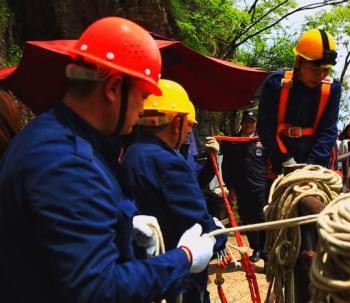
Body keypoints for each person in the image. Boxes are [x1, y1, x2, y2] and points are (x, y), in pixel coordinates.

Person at [0, 17, 215, 303]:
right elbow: (98, 290)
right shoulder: (68, 164)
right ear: (114, 88)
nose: (141, 109)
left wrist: (122, 228)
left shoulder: (46, 136)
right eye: (141, 95)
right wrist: (184, 258)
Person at [120, 79, 227, 303]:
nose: (189, 131)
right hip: (179, 278)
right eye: (189, 124)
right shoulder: (168, 162)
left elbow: (191, 181)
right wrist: (218, 233)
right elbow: (199, 228)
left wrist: (210, 160)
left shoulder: (132, 153)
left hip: (145, 270)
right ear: (177, 121)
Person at [258, 28, 342, 175]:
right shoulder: (276, 84)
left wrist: (310, 168)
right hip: (280, 165)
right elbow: (266, 129)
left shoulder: (332, 89)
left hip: (318, 166)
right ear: (298, 62)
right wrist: (287, 162)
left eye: (326, 70)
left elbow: (328, 132)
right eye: (315, 70)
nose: (320, 75)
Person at [221, 110, 268, 263]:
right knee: (248, 219)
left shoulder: (263, 140)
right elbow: (226, 166)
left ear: (256, 124)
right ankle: (255, 248)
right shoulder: (231, 141)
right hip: (241, 188)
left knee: (263, 218)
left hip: (261, 186)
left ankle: (265, 249)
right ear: (241, 122)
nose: (249, 124)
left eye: (252, 121)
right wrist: (231, 187)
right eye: (246, 121)